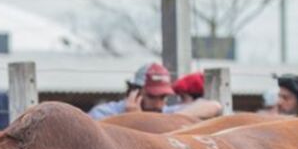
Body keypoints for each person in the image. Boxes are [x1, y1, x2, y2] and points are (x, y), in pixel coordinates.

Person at [88, 63, 222, 120]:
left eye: (163, 97)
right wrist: (132, 120)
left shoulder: (165, 113)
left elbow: (213, 106)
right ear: (134, 92)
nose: (159, 104)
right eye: (152, 97)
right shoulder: (103, 114)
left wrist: (170, 121)